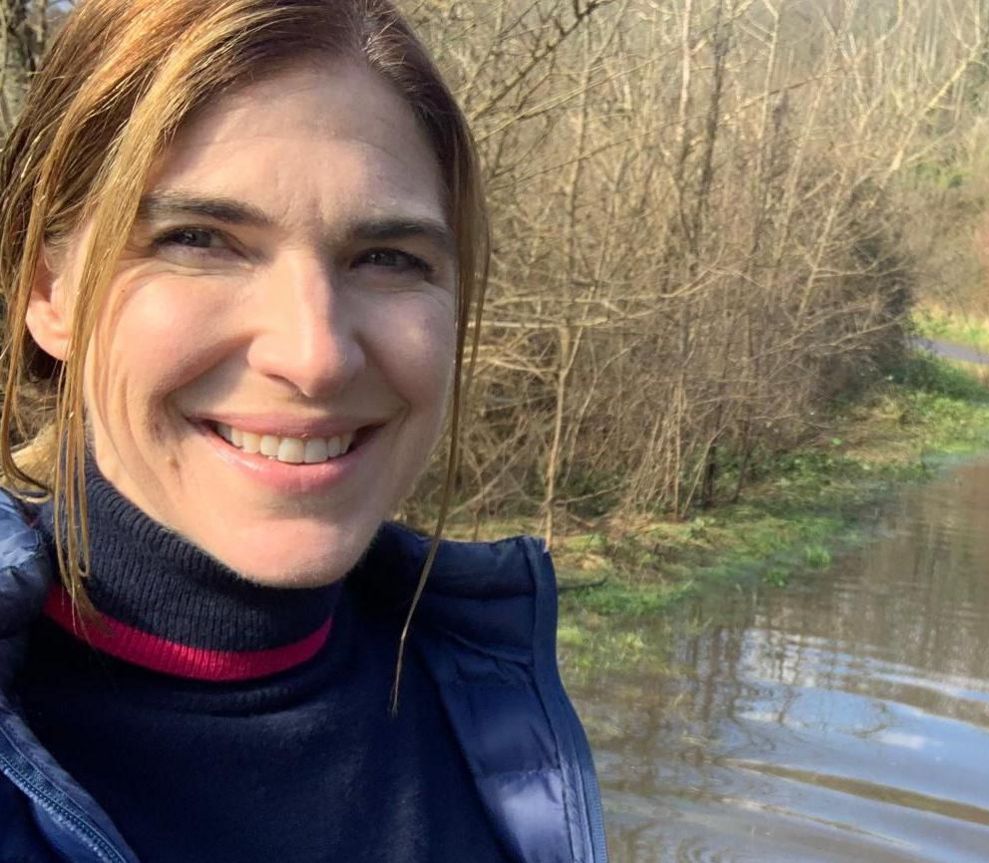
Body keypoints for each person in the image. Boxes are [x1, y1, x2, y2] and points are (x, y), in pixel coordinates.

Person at [0, 1, 606, 861]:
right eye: (200, 239)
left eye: (388, 257)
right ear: (46, 294)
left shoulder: (500, 727)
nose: (316, 356)